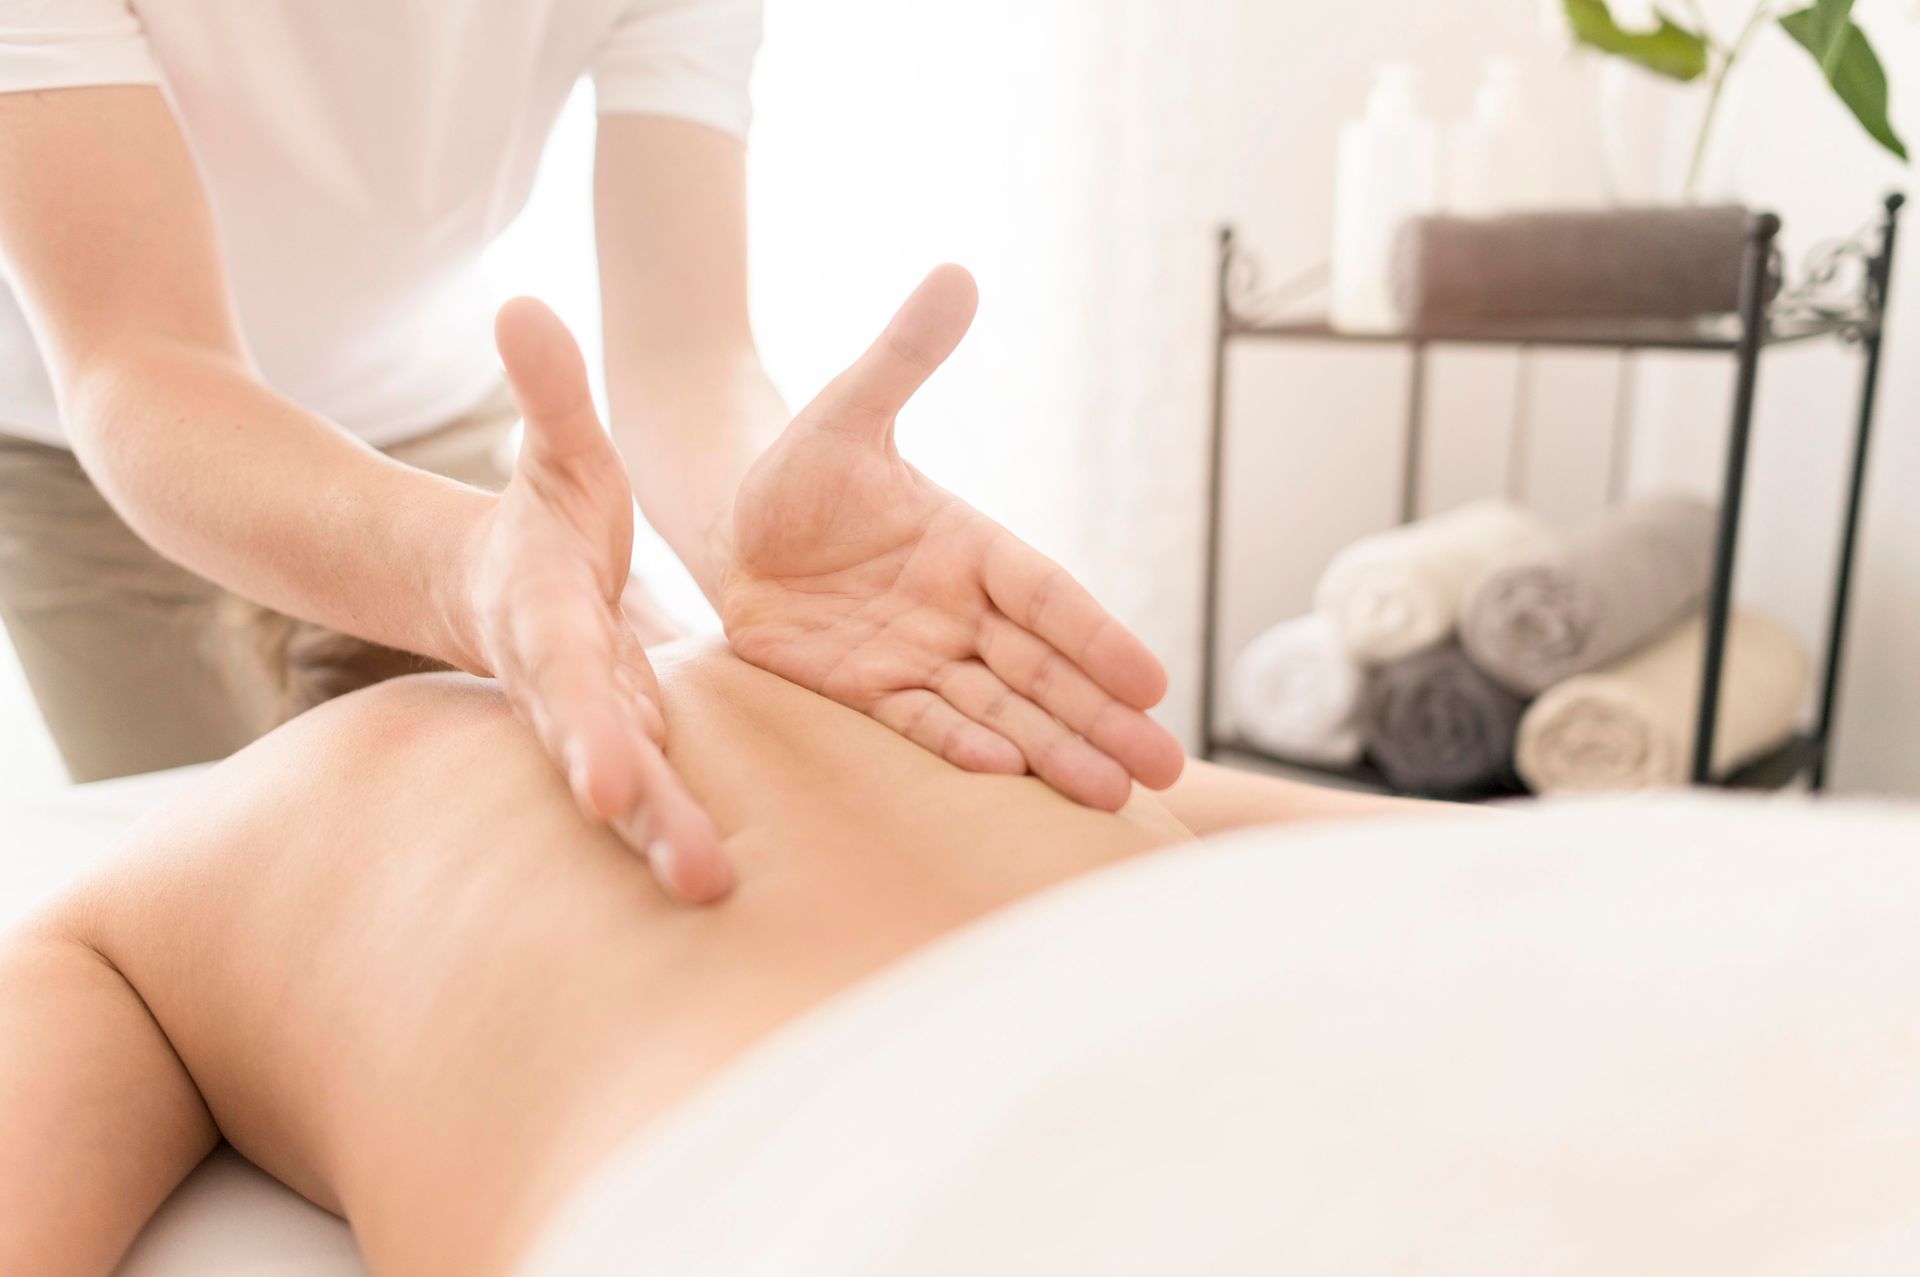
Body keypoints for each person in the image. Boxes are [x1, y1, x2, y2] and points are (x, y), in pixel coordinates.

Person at [0, 1, 1183, 904]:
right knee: (236, 894)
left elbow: (684, 353)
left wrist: (751, 528)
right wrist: (463, 574)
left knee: (604, 799)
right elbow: (143, 357)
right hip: (96, 452)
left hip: (431, 408)